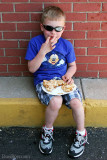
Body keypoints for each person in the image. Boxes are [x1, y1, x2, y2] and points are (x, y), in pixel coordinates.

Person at [25, 6, 88, 158]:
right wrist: (43, 51)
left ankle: (81, 134)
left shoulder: (66, 45)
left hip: (62, 81)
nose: (53, 32)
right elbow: (32, 69)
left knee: (76, 103)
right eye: (49, 28)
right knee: (56, 102)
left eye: (58, 29)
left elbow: (72, 66)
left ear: (63, 29)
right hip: (44, 81)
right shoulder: (35, 43)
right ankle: (47, 131)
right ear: (42, 27)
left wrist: (68, 74)